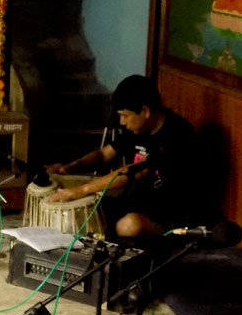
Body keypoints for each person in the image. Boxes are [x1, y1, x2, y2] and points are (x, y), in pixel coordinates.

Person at [44, 75, 196, 239]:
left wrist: (79, 190)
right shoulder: (138, 128)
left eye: (125, 115)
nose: (122, 122)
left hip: (170, 212)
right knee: (87, 211)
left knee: (129, 225)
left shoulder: (178, 132)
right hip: (137, 201)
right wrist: (70, 168)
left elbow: (137, 171)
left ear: (145, 111)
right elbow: (103, 155)